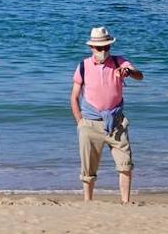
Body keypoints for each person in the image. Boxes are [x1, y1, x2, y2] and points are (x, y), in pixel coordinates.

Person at [70, 26, 143, 204]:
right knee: (88, 169)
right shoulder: (83, 66)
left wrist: (129, 72)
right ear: (91, 48)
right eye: (99, 48)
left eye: (106, 47)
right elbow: (74, 96)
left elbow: (139, 76)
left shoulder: (119, 62)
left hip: (117, 123)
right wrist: (80, 122)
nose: (103, 51)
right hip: (90, 123)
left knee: (125, 164)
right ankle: (88, 202)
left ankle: (125, 202)